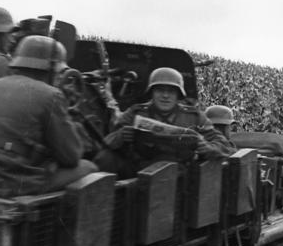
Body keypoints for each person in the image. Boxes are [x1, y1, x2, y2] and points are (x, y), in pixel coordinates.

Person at [0, 36, 97, 196]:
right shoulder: (51, 95)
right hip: (8, 181)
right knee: (89, 168)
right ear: (51, 69)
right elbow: (71, 157)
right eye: (59, 73)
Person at [94, 67, 232, 177]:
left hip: (179, 175)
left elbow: (225, 146)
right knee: (105, 158)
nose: (165, 96)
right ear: (152, 93)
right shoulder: (136, 112)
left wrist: (208, 147)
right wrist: (121, 136)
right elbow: (107, 141)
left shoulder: (194, 116)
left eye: (171, 91)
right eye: (160, 90)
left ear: (178, 95)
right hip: (139, 170)